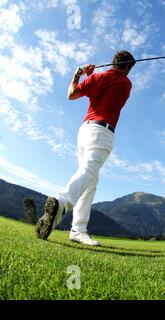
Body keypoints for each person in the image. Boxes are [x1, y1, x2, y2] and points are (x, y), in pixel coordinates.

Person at [35, 50, 135, 246]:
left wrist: (78, 74)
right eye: (129, 68)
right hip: (102, 132)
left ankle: (78, 230)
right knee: (88, 172)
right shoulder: (125, 83)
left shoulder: (97, 78)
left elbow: (71, 94)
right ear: (126, 67)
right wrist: (91, 76)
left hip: (84, 132)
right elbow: (110, 91)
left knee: (90, 180)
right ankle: (61, 203)